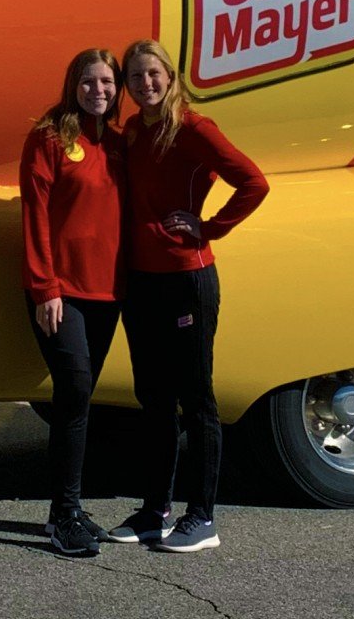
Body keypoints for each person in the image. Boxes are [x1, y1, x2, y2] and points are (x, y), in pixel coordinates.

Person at [106, 38, 269, 554]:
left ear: (170, 77)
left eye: (153, 74)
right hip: (142, 281)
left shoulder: (194, 128)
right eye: (135, 78)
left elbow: (253, 182)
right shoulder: (132, 130)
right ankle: (155, 510)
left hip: (186, 280)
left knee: (196, 400)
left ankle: (202, 518)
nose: (145, 84)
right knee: (153, 400)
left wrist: (210, 227)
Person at [19, 47, 127, 558]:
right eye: (89, 82)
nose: (98, 91)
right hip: (62, 294)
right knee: (74, 388)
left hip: (109, 292)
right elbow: (35, 214)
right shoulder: (49, 137)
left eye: (107, 82)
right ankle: (62, 516)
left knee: (82, 399)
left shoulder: (122, 143)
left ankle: (73, 506)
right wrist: (45, 288)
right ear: (73, 84)